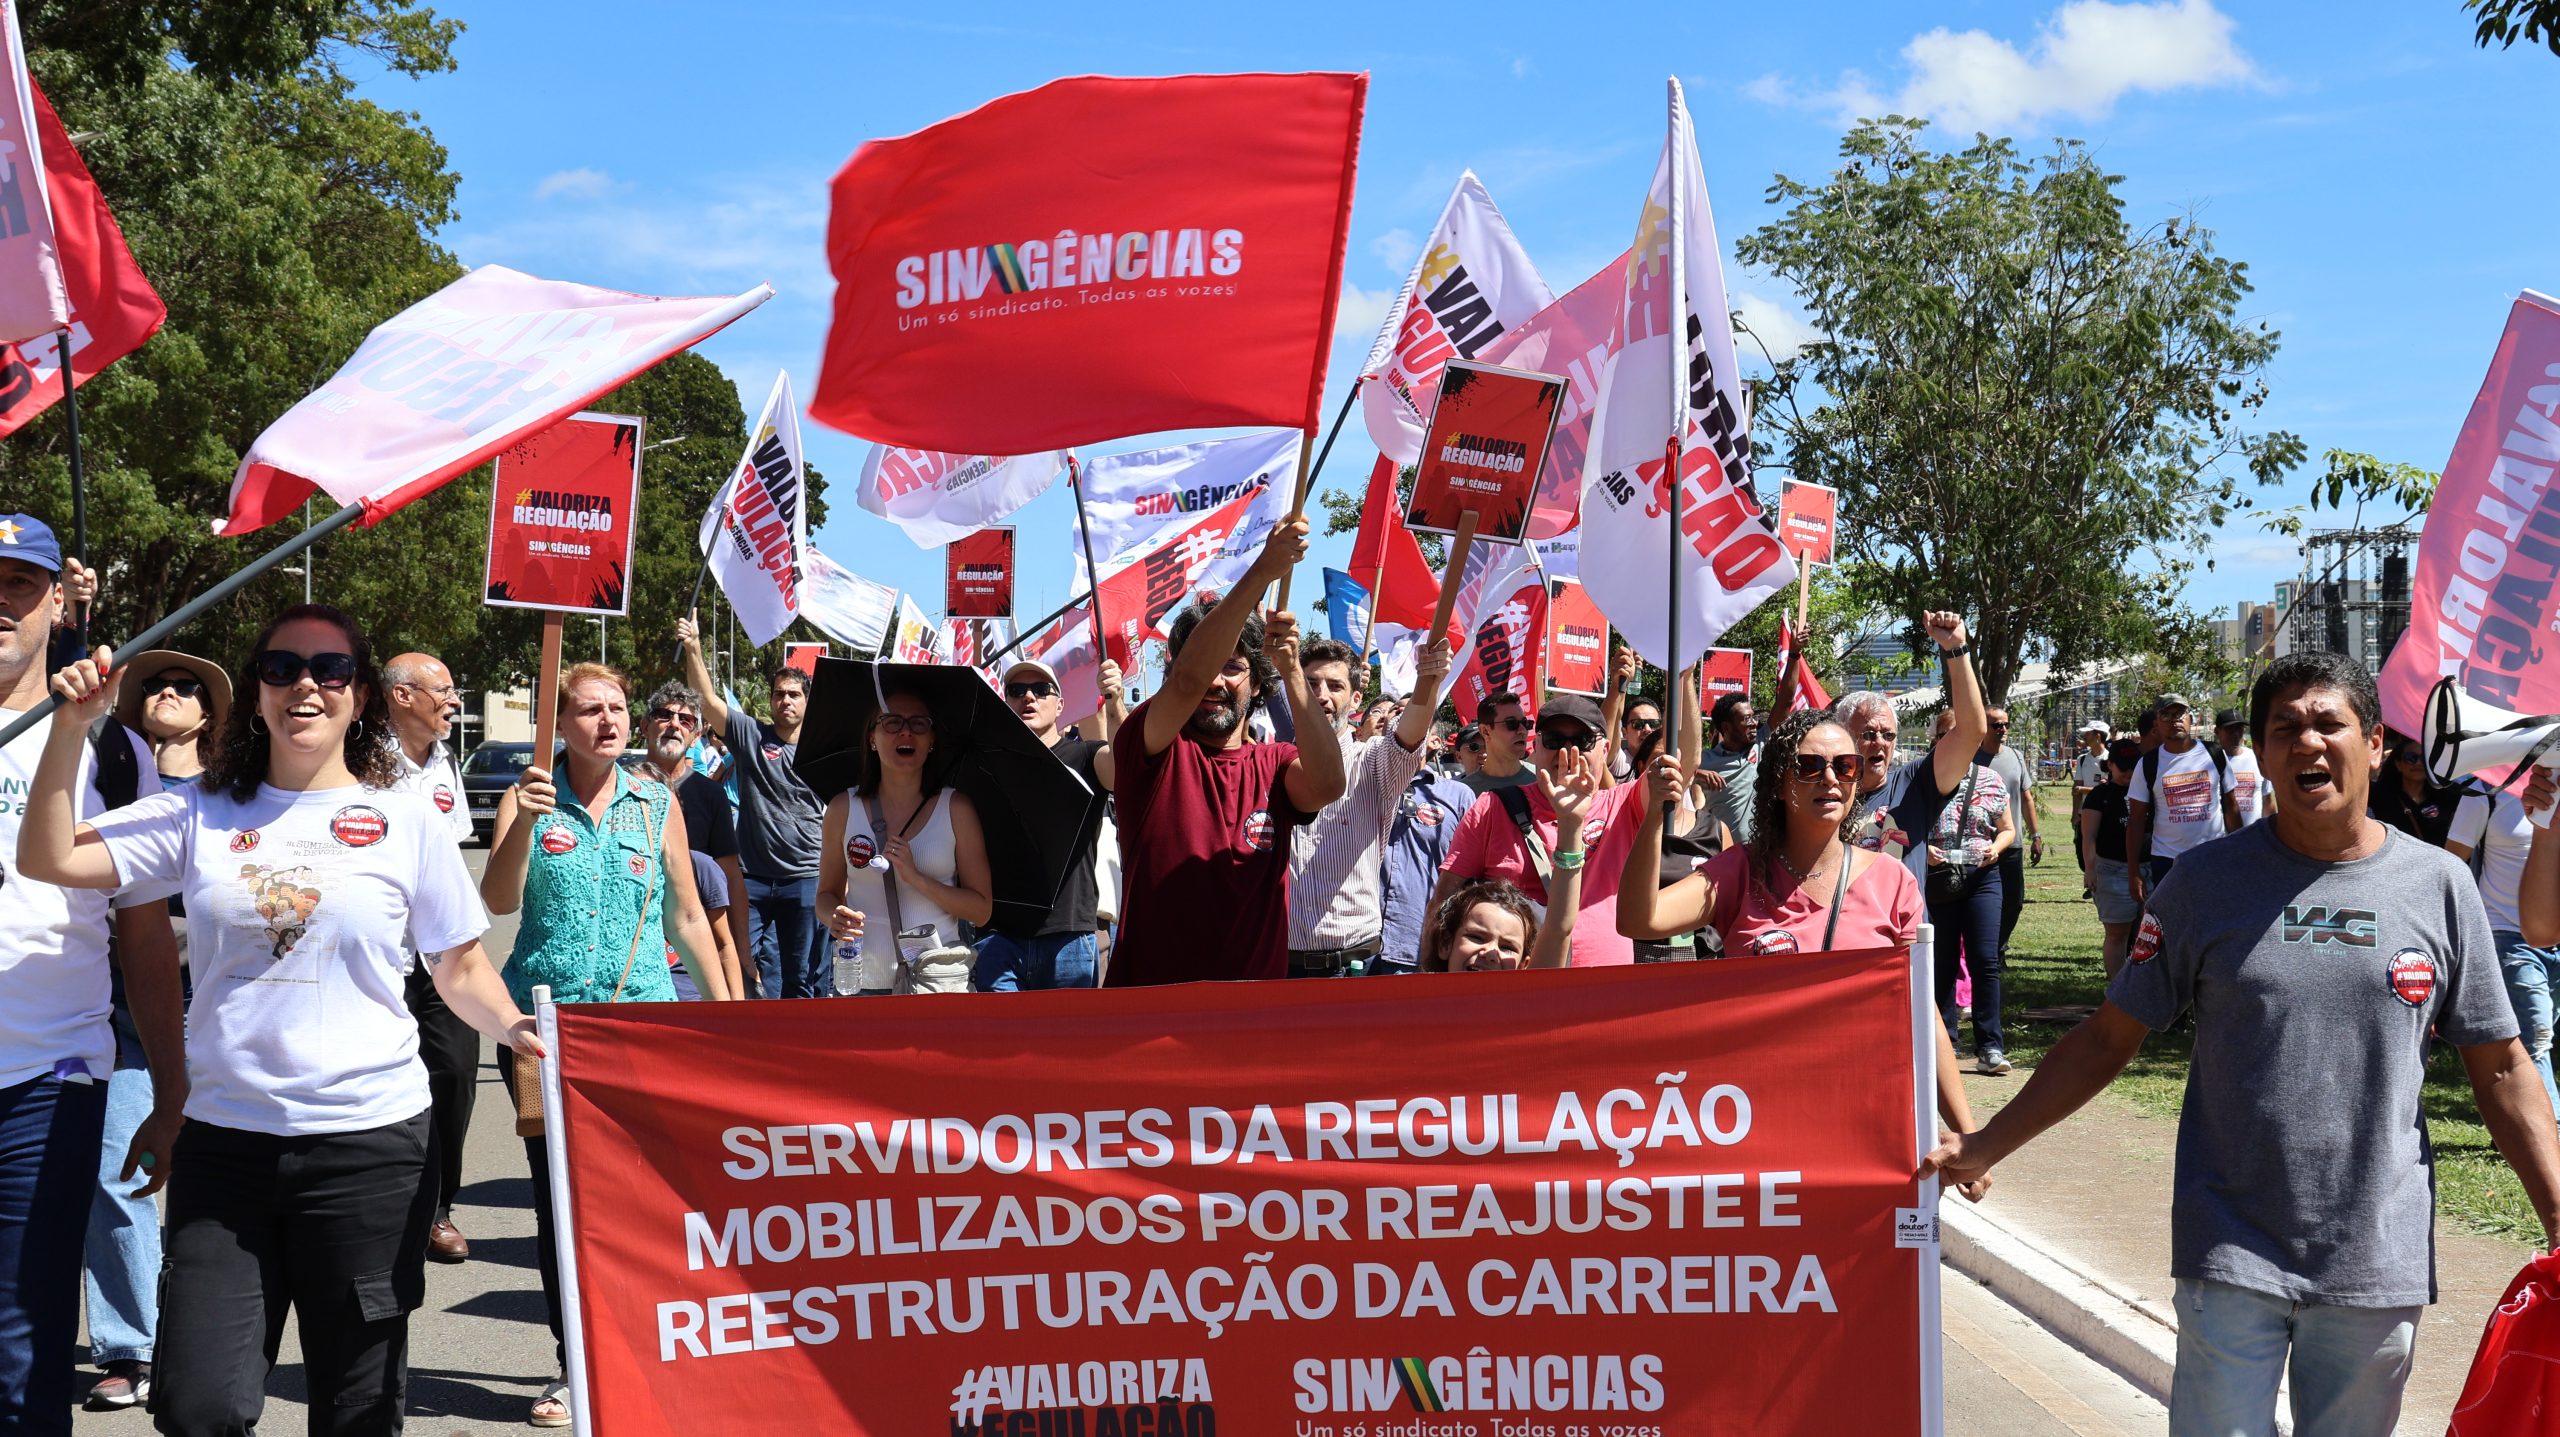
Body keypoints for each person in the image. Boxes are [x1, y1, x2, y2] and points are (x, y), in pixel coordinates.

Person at [1924, 652, 2560, 1437]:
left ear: (2375, 744)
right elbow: (2105, 1039)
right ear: (2259, 753)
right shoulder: (2203, 883)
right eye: (2284, 728)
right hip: (2230, 1242)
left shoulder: (2439, 886)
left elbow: (2499, 1063)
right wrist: (1986, 1143)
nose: (2307, 744)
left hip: (2373, 1252)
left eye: (2329, 723)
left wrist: (2559, 1213)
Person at [26, 603, 540, 1437]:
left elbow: (461, 964)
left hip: (371, 1150)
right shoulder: (198, 812)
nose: (307, 684)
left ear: (362, 694)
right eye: (283, 668)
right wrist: (68, 732)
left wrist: (518, 1029)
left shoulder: (408, 819)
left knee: (357, 1408)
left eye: (330, 670)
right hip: (225, 1151)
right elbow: (48, 856)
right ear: (258, 691)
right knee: (199, 1406)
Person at [481, 660, 732, 1426]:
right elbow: (495, 897)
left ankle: (649, 1351)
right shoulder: (526, 798)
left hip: (642, 1028)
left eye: (617, 707)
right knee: (561, 1205)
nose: (610, 721)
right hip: (543, 1031)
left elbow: (687, 917)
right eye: (589, 710)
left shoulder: (657, 803)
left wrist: (726, 1018)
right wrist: (524, 820)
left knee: (647, 1202)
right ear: (559, 724)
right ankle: (575, 1365)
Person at [0, 521, 184, 1436]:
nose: (1, 599)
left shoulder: (112, 750)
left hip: (49, 1083)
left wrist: (172, 1085)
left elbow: (146, 939)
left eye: (19, 582)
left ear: (53, 602)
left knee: (21, 1345)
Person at [1616, 709, 1986, 1154]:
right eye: (1809, 766)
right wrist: (1655, 812)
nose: (1829, 778)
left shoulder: (1893, 882)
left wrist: (1968, 1136)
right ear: (1778, 781)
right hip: (1752, 1123)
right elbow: (1640, 919)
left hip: (1864, 1122)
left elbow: (1921, 1013)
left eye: (1845, 766)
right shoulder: (1740, 870)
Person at [75, 648, 222, 1409]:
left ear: (212, 714)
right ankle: (131, 1347)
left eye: (186, 686)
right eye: (155, 684)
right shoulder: (109, 778)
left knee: (219, 1182)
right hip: (126, 1015)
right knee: (120, 1172)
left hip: (225, 1015)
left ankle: (214, 1334)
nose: (168, 691)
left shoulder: (238, 795)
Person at [1107, 517, 1342, 986]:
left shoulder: (1274, 763)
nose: (1216, 681)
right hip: (1149, 1013)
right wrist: (1261, 573)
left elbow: (1328, 785)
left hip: (1250, 1022)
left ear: (1256, 684)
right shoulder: (1152, 747)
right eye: (1209, 663)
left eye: (1233, 666)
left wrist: (1293, 671)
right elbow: (1190, 680)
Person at [1430, 690, 1674, 969]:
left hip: (1606, 988)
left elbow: (1684, 762)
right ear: (1537, 747)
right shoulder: (1491, 807)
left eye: (1582, 741)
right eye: (1554, 740)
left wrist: (1683, 672)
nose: (1567, 751)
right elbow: (1444, 904)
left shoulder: (1622, 803)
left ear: (1605, 750)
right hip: (1520, 993)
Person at [379, 651, 480, 1267]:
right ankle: (393, 1206)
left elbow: (454, 853)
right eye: (442, 689)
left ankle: (439, 1207)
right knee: (386, 1080)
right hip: (382, 955)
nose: (454, 700)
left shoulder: (445, 763)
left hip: (442, 953)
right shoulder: (359, 760)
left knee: (456, 1076)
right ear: (402, 696)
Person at [678, 614, 825, 997]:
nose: (785, 701)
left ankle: (796, 1050)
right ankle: (747, 1036)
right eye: (779, 694)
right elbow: (707, 702)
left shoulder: (823, 750)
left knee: (802, 976)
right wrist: (693, 647)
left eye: (794, 694)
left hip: (805, 879)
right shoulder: (750, 735)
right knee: (739, 962)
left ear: (808, 702)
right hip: (752, 880)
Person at [1286, 635, 1450, 977]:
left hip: (1357, 967)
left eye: (1335, 686)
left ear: (1355, 697)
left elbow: (1410, 733)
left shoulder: (1374, 762)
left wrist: (1429, 681)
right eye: (1311, 684)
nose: (1322, 696)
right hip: (1283, 967)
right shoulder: (1272, 765)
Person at [817, 684, 996, 995]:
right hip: (861, 987)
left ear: (931, 740)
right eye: (892, 722)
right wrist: (833, 917)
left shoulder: (957, 810)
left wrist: (916, 878)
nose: (905, 732)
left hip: (936, 988)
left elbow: (981, 910)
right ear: (872, 738)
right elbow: (825, 895)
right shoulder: (842, 808)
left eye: (918, 724)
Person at [974, 655, 1124, 990]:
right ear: (1006, 702)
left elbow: (1123, 767)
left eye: (1041, 690)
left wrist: (1115, 703)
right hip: (999, 938)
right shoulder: (985, 765)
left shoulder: (1086, 756)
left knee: (1066, 1044)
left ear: (1060, 706)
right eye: (1016, 690)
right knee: (1000, 1044)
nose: (1028, 697)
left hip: (1069, 938)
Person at [1820, 611, 1988, 892]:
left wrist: (1956, 650)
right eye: (1868, 734)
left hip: (1903, 933)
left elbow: (1972, 733)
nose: (1880, 743)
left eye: (1888, 735)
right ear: (1842, 737)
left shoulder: (1915, 783)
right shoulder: (1822, 791)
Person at [1420, 753, 1598, 972]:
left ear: (1525, 964)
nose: (1491, 952)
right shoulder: (1422, 1005)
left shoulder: (1527, 1003)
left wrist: (1570, 825)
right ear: (1446, 943)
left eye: (1508, 947)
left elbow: (1558, 928)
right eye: (1476, 937)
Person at [2449, 780, 2560, 1117]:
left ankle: (2519, 1120)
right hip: (2505, 936)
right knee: (2536, 1038)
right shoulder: (2485, 789)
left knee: (2542, 1036)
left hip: (2554, 938)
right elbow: (2452, 863)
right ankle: (2551, 1129)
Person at [637, 682, 746, 1002]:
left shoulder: (711, 795)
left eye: (686, 720)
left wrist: (741, 951)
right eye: (664, 715)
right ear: (644, 726)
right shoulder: (616, 785)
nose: (674, 724)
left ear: (696, 736)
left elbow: (729, 878)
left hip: (689, 962)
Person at [1929, 711, 2018, 1073]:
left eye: (1962, 736)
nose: (1954, 743)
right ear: (1936, 739)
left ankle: (1990, 1047)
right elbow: (1902, 827)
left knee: (1985, 959)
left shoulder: (1991, 780)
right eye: (1947, 736)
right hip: (1938, 878)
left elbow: (2008, 829)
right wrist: (1924, 851)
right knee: (1943, 962)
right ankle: (1945, 1044)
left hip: (1983, 877)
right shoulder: (1922, 780)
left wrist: (1996, 848)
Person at [1374, 736, 1479, 974]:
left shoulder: (1458, 795)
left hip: (1422, 947)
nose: (1405, 721)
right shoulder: (1362, 786)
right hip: (1360, 947)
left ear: (1433, 739)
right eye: (1396, 714)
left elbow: (1470, 879)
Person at [2125, 692, 2241, 906]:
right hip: (2167, 862)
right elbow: (2136, 820)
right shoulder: (2148, 764)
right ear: (2157, 724)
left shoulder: (2214, 753)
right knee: (2174, 927)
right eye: (2166, 716)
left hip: (2213, 856)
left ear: (2191, 718)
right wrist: (2133, 872)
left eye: (2180, 714)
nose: (2174, 720)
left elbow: (2231, 807)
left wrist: (2240, 852)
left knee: (2215, 919)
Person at [1976, 705, 2041, 951]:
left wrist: (2035, 835)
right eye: (1996, 725)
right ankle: (1988, 949)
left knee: (2014, 902)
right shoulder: (1971, 759)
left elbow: (2026, 798)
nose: (2002, 729)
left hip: (2012, 844)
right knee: (1987, 902)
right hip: (1981, 846)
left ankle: (1998, 947)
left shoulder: (2015, 756)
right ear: (1984, 728)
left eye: (2005, 724)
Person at [2079, 739, 2144, 978]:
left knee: (2146, 934)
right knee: (2118, 934)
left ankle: (2139, 987)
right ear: (2110, 765)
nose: (2128, 772)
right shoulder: (2100, 795)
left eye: (2133, 766)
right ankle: (2117, 990)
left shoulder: (2147, 790)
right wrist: (2090, 869)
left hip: (2146, 869)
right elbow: (2089, 836)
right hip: (2112, 870)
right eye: (2123, 767)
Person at [2370, 738, 2462, 847]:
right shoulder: (2379, 795)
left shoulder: (2447, 797)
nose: (2418, 763)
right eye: (2410, 758)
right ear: (2398, 764)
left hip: (2434, 862)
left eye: (2424, 759)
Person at [1695, 691, 1759, 845]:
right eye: (1746, 718)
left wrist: (1793, 664)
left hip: (1757, 856)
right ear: (1726, 727)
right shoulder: (1704, 759)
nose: (1754, 723)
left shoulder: (1760, 745)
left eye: (1753, 716)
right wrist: (1697, 773)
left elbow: (1786, 701)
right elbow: (1672, 770)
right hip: (1721, 855)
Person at [1461, 691, 1537, 795]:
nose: (1522, 730)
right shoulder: (1465, 793)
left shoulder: (1544, 780)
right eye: (1511, 723)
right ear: (1485, 731)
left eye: (1525, 723)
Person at [2214, 707, 2270, 826]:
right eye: (2229, 729)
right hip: (2223, 839)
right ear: (2217, 732)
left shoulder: (2258, 758)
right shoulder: (2211, 762)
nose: (2236, 734)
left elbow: (2268, 800)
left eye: (2239, 729)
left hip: (2255, 836)